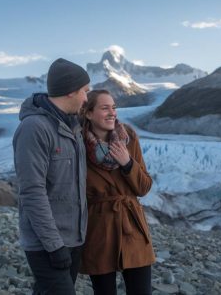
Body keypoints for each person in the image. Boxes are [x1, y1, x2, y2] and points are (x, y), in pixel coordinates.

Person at [13, 58, 90, 295]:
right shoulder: (34, 128)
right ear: (70, 92)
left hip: (73, 239)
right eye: (85, 91)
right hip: (47, 244)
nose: (87, 98)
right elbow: (32, 191)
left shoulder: (72, 127)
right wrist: (54, 245)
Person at [79, 89, 155, 295]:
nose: (112, 113)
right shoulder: (77, 144)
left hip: (132, 227)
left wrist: (128, 164)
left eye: (114, 107)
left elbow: (144, 187)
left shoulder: (128, 137)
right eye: (105, 108)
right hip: (99, 230)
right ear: (88, 113)